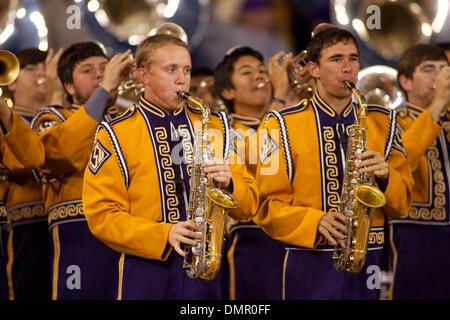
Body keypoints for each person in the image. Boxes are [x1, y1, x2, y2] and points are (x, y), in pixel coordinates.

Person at [82, 34, 259, 300]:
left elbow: (249, 205)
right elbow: (101, 217)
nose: (182, 79)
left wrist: (231, 183)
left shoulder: (214, 126)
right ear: (143, 76)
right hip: (144, 273)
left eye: (186, 70)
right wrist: (164, 233)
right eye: (171, 70)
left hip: (205, 273)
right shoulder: (115, 133)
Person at [253, 27, 413, 300]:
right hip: (308, 261)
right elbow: (265, 206)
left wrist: (386, 177)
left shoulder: (385, 122)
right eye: (336, 59)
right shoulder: (278, 124)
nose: (348, 68)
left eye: (353, 59)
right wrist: (314, 221)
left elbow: (403, 205)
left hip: (370, 260)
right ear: (313, 69)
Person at [31, 41, 132, 299]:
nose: (99, 74)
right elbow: (61, 155)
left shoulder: (130, 119)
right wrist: (105, 90)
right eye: (87, 70)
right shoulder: (52, 118)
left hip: (131, 231)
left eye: (104, 68)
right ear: (69, 87)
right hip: (79, 232)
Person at [214, 45, 292, 299]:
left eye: (262, 71)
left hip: (298, 233)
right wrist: (279, 96)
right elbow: (262, 161)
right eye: (247, 72)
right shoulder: (221, 130)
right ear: (227, 91)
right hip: (251, 240)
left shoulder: (289, 120)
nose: (260, 76)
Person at [0, 47, 64, 300]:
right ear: (11, 83)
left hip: (66, 227)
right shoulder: (6, 119)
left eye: (44, 67)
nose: (42, 73)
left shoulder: (63, 113)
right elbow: (31, 161)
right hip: (24, 226)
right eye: (31, 68)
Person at [389, 43, 450, 299]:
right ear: (406, 81)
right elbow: (399, 161)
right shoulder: (391, 121)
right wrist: (437, 106)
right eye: (428, 70)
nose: (439, 77)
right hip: (416, 238)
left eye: (444, 69)